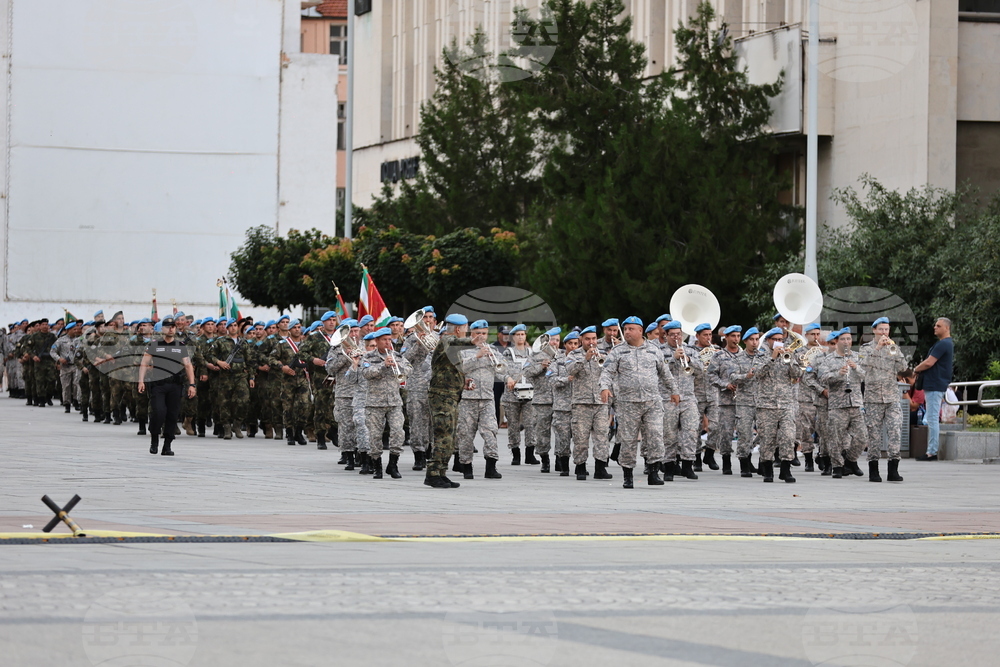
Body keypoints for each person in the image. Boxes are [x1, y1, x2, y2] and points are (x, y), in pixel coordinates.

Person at [599, 316, 677, 488]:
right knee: (627, 439)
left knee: (655, 436)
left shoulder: (654, 350)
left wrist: (674, 391)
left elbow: (665, 373)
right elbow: (606, 372)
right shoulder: (618, 351)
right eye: (625, 329)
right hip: (628, 403)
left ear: (640, 331)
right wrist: (604, 387)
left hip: (652, 402)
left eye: (631, 329)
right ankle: (628, 475)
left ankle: (653, 472)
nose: (627, 332)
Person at [425, 313, 474, 489]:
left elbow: (451, 370)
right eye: (467, 329)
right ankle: (432, 474)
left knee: (450, 437)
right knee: (442, 436)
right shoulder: (447, 340)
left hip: (451, 396)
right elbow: (456, 344)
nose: (467, 333)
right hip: (441, 397)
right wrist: (476, 342)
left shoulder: (451, 346)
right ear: (459, 329)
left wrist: (463, 381)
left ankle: (441, 473)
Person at [138, 317, 196, 456]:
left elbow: (188, 365)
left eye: (173, 326)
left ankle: (167, 445)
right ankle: (154, 440)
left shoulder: (180, 346)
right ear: (162, 329)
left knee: (172, 415)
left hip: (175, 385)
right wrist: (141, 381)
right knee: (158, 412)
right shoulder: (154, 345)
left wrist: (192, 384)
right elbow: (144, 363)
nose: (171, 329)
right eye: (168, 326)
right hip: (158, 385)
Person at [859, 317, 907, 482]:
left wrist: (896, 352)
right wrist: (878, 348)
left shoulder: (893, 347)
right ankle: (874, 470)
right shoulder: (866, 349)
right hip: (873, 398)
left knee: (895, 431)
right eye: (881, 330)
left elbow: (903, 368)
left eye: (886, 330)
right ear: (874, 331)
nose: (884, 333)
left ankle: (893, 469)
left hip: (892, 397)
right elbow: (862, 368)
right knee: (874, 435)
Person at [361, 327, 412, 480]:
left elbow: (409, 369)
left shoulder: (397, 355)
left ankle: (393, 464)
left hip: (394, 401)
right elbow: (366, 373)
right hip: (374, 403)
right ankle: (377, 466)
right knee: (375, 436)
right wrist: (383, 366)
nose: (387, 342)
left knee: (398, 432)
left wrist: (398, 364)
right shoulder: (368, 357)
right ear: (376, 341)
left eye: (389, 339)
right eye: (384, 340)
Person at [456, 320, 503, 479]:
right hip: (468, 399)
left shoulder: (493, 350)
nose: (481, 336)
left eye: (484, 333)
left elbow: (502, 369)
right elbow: (461, 369)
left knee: (491, 431)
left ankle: (491, 467)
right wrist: (477, 356)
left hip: (487, 399)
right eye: (478, 333)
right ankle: (466, 467)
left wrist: (508, 377)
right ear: (471, 334)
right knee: (466, 434)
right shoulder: (463, 350)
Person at [818, 328, 868, 478]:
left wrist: (856, 367)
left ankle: (850, 461)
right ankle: (837, 466)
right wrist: (838, 374)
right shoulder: (828, 359)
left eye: (849, 339)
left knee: (862, 436)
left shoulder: (858, 357)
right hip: (837, 404)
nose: (846, 342)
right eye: (843, 339)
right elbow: (822, 378)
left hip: (856, 403)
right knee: (835, 437)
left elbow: (866, 376)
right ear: (837, 341)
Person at [753, 328, 802, 483]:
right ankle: (768, 471)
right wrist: (772, 358)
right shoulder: (760, 355)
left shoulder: (788, 355)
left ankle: (785, 470)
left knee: (788, 437)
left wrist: (791, 360)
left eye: (781, 338)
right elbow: (757, 373)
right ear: (768, 341)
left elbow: (797, 375)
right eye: (775, 339)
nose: (779, 342)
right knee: (767, 439)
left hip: (786, 404)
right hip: (766, 405)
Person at [566, 326, 611, 480]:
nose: (591, 342)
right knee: (580, 437)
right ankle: (580, 467)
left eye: (593, 339)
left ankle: (600, 468)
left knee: (602, 436)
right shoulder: (573, 354)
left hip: (600, 402)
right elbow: (570, 371)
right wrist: (585, 359)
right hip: (581, 402)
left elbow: (610, 374)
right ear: (581, 340)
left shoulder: (603, 354)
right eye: (587, 339)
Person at [914, 318, 954, 461]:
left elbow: (929, 362)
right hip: (936, 384)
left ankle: (931, 452)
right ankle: (931, 450)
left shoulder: (943, 344)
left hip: (935, 384)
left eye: (938, 326)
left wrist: (915, 369)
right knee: (931, 418)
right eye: (935, 325)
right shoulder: (945, 344)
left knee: (932, 418)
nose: (934, 327)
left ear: (947, 328)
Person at [707, 325, 743, 474]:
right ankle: (726, 460)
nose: (736, 339)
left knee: (744, 432)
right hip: (726, 401)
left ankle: (744, 461)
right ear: (726, 338)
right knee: (726, 433)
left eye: (738, 336)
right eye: (733, 336)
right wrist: (725, 384)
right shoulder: (718, 356)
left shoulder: (744, 355)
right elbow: (711, 375)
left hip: (744, 401)